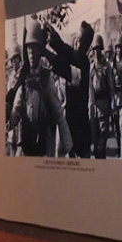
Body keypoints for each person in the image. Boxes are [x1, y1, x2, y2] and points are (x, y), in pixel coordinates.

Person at [9, 20, 72, 157]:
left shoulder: (46, 77)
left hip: (44, 140)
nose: (31, 54)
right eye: (29, 49)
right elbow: (16, 109)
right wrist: (9, 120)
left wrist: (67, 142)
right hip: (27, 139)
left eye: (35, 49)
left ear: (40, 52)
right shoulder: (23, 78)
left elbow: (58, 111)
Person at [43, 20, 94, 158]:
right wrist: (53, 36)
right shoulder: (78, 59)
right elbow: (67, 51)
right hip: (72, 126)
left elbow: (63, 66)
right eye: (76, 38)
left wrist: (45, 51)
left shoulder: (83, 63)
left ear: (86, 45)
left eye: (79, 39)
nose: (76, 41)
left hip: (80, 129)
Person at [88, 34, 112, 158]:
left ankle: (101, 156)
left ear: (101, 49)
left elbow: (111, 85)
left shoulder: (106, 66)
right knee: (95, 139)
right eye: (95, 49)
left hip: (104, 103)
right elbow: (89, 88)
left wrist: (112, 103)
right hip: (94, 105)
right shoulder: (91, 67)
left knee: (103, 136)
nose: (96, 52)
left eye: (98, 49)